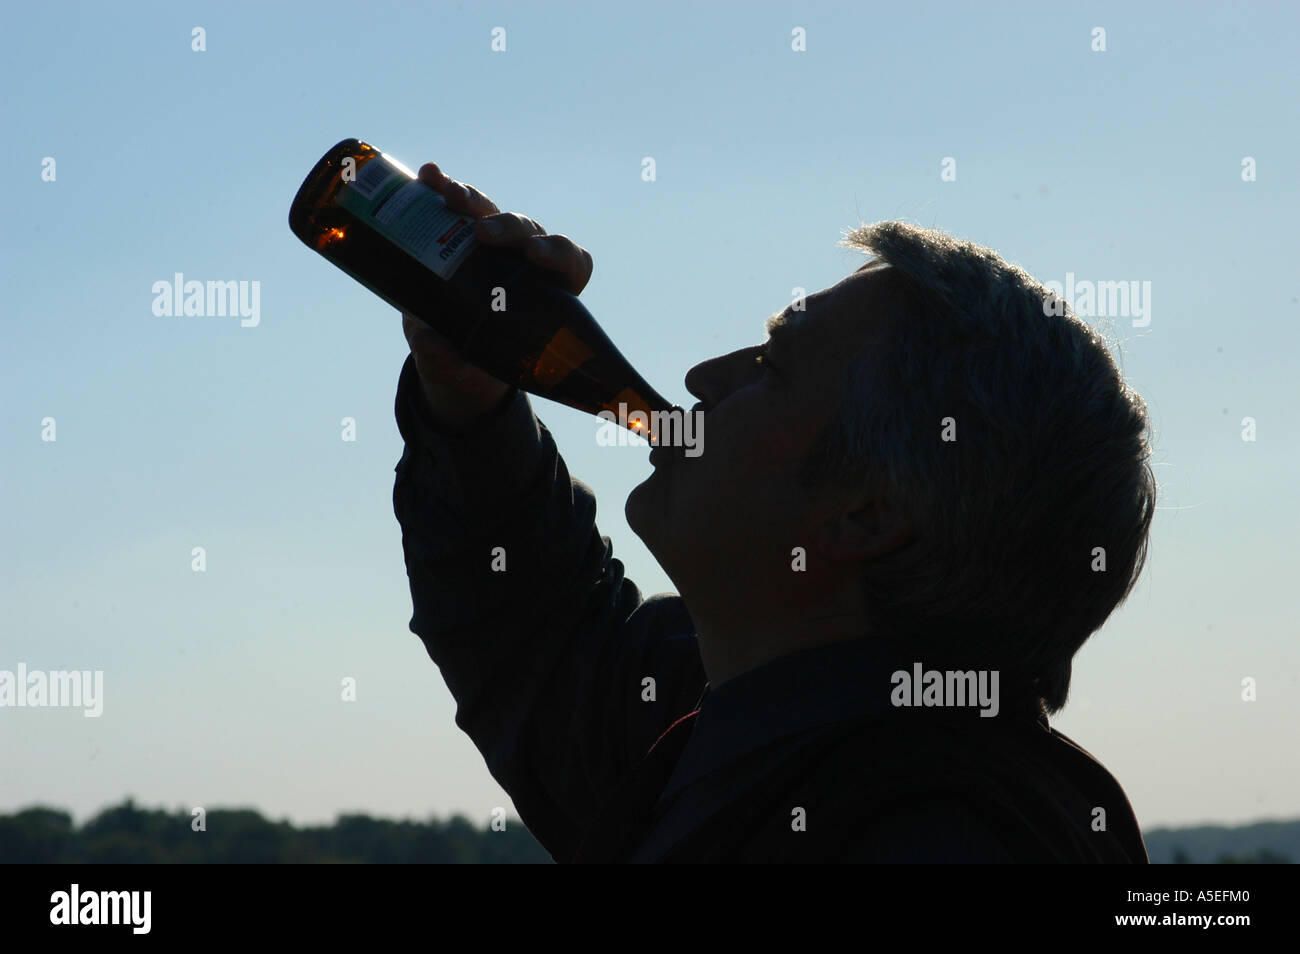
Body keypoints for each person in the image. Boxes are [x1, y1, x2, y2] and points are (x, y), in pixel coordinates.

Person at [392, 161, 1155, 863]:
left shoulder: (930, 834)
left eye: (774, 365)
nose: (701, 377)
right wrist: (468, 400)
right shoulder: (739, 729)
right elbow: (536, 640)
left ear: (864, 516)